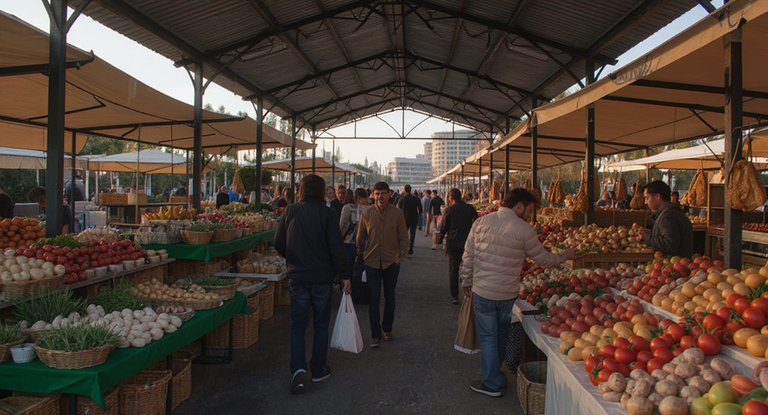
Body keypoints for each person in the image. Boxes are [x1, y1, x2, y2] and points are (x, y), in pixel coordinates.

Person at [461, 188, 580, 397]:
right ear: (519, 205)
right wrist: (563, 256)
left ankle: (492, 383)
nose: (529, 215)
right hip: (507, 295)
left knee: (489, 337)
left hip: (483, 292)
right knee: (500, 336)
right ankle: (495, 377)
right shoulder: (525, 231)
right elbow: (544, 260)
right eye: (529, 210)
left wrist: (466, 281)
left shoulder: (480, 223)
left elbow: (468, 257)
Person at [273, 174, 350, 395]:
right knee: (320, 326)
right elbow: (337, 248)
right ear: (322, 191)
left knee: (298, 326)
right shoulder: (328, 214)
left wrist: (294, 257)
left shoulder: (290, 211)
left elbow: (278, 243)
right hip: (322, 280)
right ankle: (317, 369)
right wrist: (345, 276)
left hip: (298, 278)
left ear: (301, 190)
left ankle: (297, 369)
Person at [356, 181, 408, 349]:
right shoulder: (367, 214)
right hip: (371, 262)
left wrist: (400, 257)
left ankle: (387, 329)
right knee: (374, 299)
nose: (380, 196)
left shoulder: (397, 213)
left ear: (389, 194)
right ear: (373, 194)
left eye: (383, 193)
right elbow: (360, 238)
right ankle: (375, 334)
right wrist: (361, 253)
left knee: (390, 296)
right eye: (377, 193)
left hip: (391, 262)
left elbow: (403, 238)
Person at [439, 188, 478, 305]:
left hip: (453, 242)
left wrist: (440, 238)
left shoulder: (449, 210)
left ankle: (454, 295)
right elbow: (477, 223)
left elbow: (444, 227)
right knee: (470, 268)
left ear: (450, 198)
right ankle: (470, 294)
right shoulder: (470, 208)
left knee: (453, 269)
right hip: (468, 243)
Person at [638, 181, 694, 258]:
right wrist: (653, 233)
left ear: (657, 197)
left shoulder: (667, 216)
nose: (645, 202)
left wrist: (647, 237)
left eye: (647, 198)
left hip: (673, 265)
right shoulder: (672, 212)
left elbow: (669, 244)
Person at [340, 188, 370, 281]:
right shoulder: (369, 209)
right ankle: (359, 286)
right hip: (363, 242)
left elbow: (342, 224)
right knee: (360, 266)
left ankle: (347, 285)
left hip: (348, 240)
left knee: (348, 265)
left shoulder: (347, 207)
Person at [396, 184, 422, 255]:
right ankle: (411, 247)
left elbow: (398, 208)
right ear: (411, 190)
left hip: (404, 218)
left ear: (404, 190)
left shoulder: (402, 199)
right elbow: (420, 210)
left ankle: (403, 247)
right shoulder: (416, 198)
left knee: (404, 233)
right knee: (412, 233)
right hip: (414, 218)